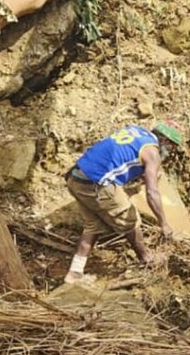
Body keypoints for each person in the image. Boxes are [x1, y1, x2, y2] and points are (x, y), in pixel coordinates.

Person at [64, 121, 183, 284]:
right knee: (131, 220)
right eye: (171, 147)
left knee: (93, 226)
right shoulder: (152, 153)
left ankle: (75, 272)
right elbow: (152, 192)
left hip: (75, 176)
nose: (169, 152)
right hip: (95, 183)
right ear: (163, 141)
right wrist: (164, 223)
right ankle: (147, 259)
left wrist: (138, 175)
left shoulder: (136, 131)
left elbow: (117, 158)